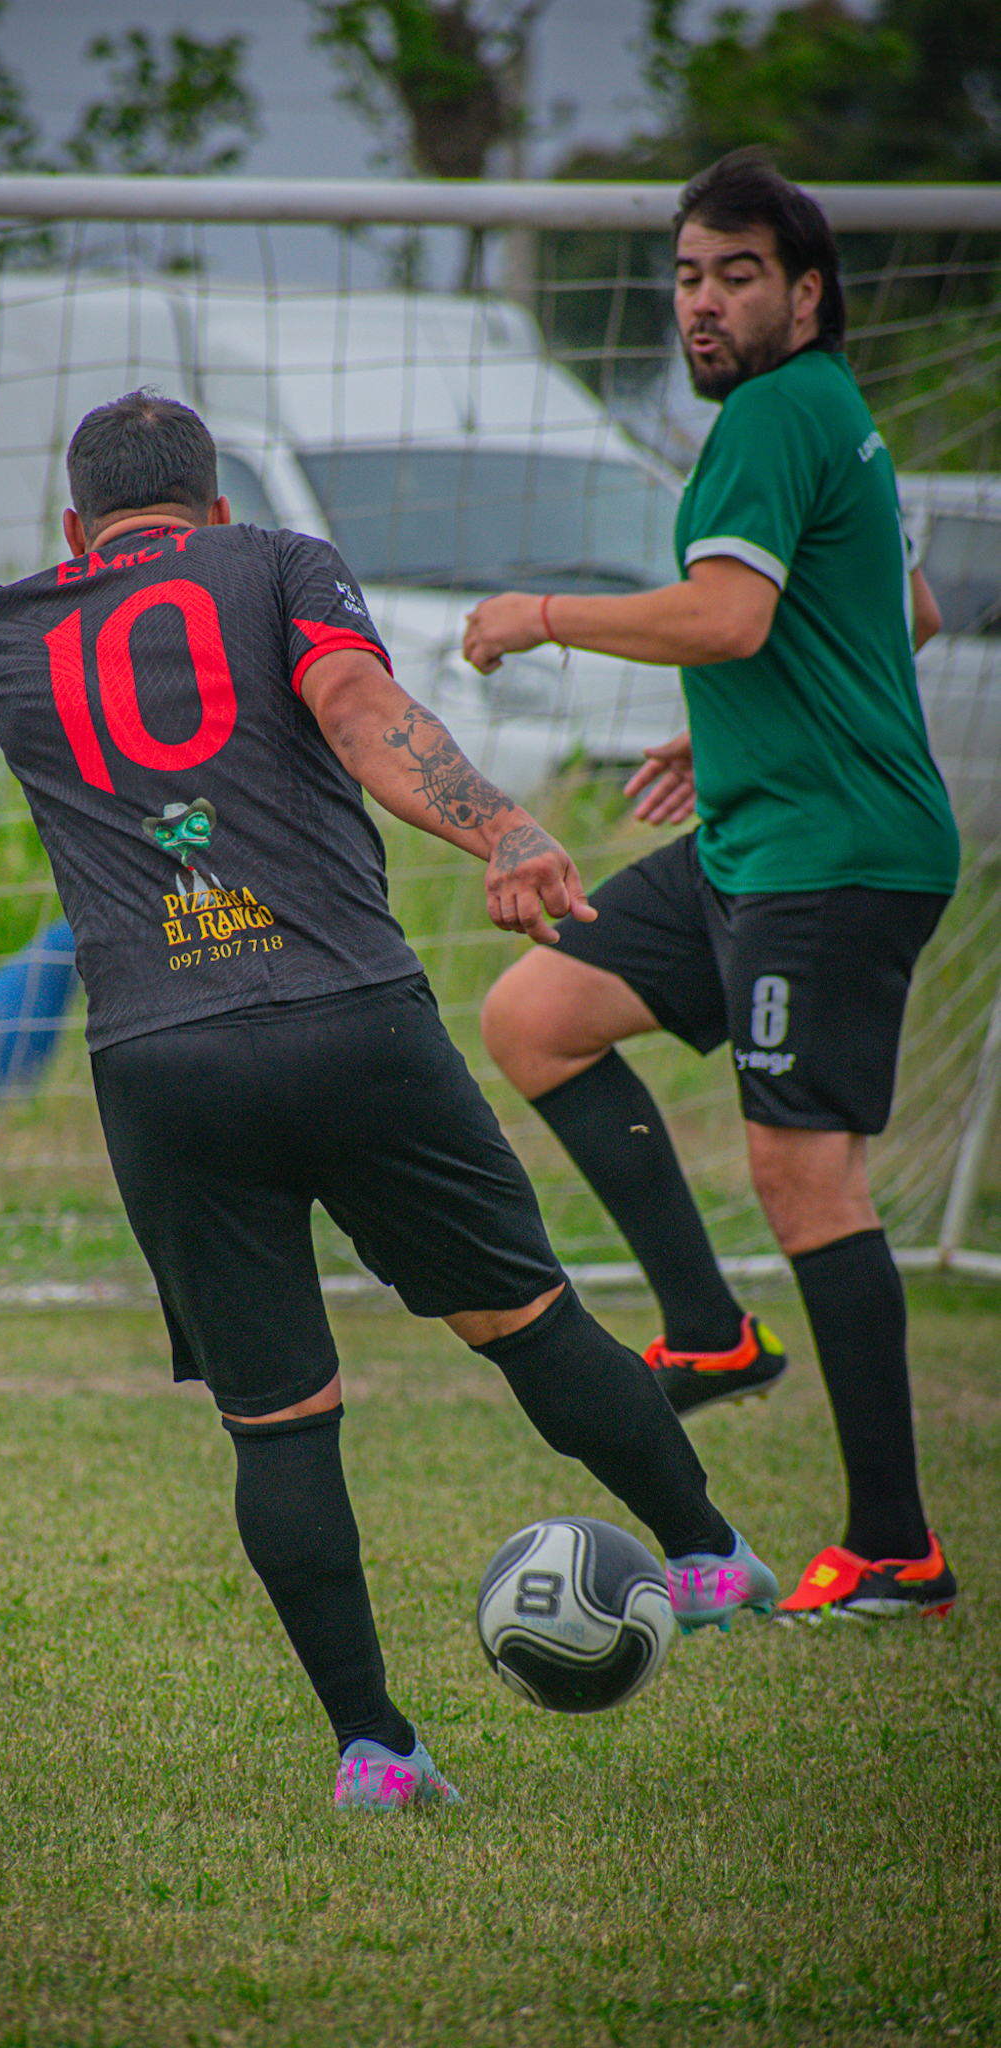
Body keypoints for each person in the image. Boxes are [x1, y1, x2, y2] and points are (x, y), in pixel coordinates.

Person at [0, 388, 777, 1813]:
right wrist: (503, 826)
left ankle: (374, 1748)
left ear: (75, 528)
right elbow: (362, 710)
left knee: (280, 1420)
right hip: (350, 1022)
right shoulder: (277, 562)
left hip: (162, 1061)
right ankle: (702, 1553)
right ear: (215, 507)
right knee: (526, 1320)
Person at [462, 149, 959, 1624]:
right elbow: (907, 607)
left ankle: (894, 1548)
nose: (703, 302)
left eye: (737, 275)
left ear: (806, 293)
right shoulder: (822, 411)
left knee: (804, 1177)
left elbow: (731, 615)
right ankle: (705, 1330)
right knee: (534, 1015)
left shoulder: (772, 410)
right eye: (686, 275)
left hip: (829, 856)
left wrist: (539, 614)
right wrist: (734, 723)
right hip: (755, 828)